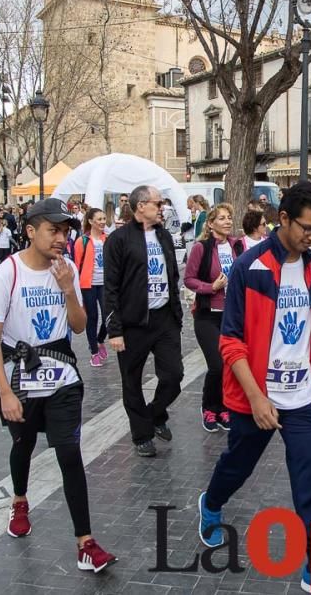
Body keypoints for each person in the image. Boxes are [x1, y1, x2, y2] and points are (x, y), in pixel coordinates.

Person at [197, 180, 311, 595]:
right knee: (238, 466)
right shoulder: (250, 267)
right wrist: (255, 396)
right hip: (256, 397)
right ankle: (211, 503)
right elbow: (231, 341)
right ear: (282, 219)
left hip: (302, 396)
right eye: (307, 228)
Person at [0, 198, 117, 574]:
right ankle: (20, 500)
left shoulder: (66, 267)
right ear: (31, 230)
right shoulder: (8, 272)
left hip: (63, 379)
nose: (61, 238)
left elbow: (80, 326)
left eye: (66, 231)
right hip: (20, 378)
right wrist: (5, 391)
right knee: (23, 445)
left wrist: (69, 289)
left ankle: (85, 543)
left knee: (69, 454)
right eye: (54, 230)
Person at [104, 185, 184, 458]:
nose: (162, 207)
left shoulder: (163, 235)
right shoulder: (119, 239)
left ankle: (155, 413)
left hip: (164, 318)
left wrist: (177, 314)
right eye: (157, 203)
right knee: (132, 381)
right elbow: (111, 287)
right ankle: (142, 435)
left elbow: (172, 275)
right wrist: (115, 330)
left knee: (174, 375)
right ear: (141, 206)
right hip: (132, 323)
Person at [183, 203, 238, 432]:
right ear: (211, 223)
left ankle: (224, 408)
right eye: (222, 218)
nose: (227, 222)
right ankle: (209, 407)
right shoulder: (201, 248)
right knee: (216, 364)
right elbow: (189, 279)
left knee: (229, 364)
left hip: (231, 315)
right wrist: (211, 287)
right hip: (207, 315)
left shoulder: (237, 246)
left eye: (229, 218)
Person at [73, 208, 109, 368]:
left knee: (109, 316)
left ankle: (100, 340)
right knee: (92, 317)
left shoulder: (107, 239)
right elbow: (76, 264)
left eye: (104, 219)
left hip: (105, 283)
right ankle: (94, 351)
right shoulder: (82, 241)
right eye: (99, 219)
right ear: (90, 221)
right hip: (87, 284)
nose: (102, 222)